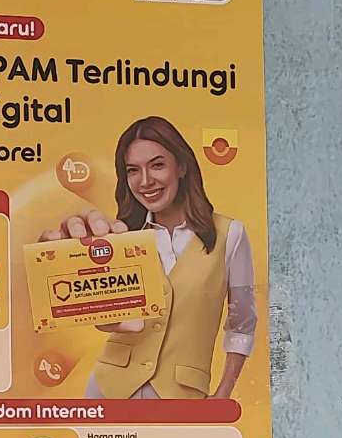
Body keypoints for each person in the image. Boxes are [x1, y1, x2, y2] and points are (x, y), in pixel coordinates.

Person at [40, 115, 256, 400]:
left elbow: (242, 321)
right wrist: (57, 260)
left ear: (181, 166)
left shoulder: (230, 234)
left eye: (157, 165)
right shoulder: (120, 237)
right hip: (108, 389)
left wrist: (223, 392)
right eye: (133, 170)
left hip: (182, 395)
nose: (145, 181)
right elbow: (104, 317)